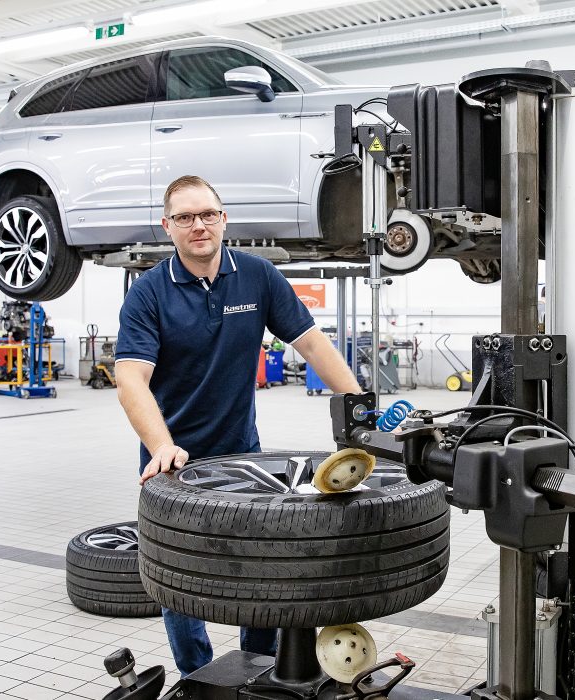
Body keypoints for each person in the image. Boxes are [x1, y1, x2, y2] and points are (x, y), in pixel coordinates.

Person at [115, 175, 362, 676]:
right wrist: (161, 445)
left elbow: (312, 344)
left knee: (259, 567)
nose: (198, 225)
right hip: (172, 463)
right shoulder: (148, 293)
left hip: (243, 456)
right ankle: (195, 675)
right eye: (184, 217)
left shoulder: (257, 276)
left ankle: (260, 665)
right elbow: (130, 379)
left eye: (207, 214)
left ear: (224, 219)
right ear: (168, 228)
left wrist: (361, 406)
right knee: (180, 576)